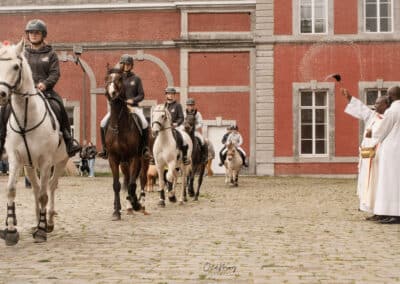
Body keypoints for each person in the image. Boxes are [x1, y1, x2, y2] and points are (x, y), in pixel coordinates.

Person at [0, 19, 81, 158]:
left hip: (45, 91)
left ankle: (68, 140)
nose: (33, 35)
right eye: (31, 32)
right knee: (4, 109)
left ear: (43, 34)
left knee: (59, 105)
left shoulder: (50, 54)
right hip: (23, 91)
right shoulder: (22, 54)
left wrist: (45, 84)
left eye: (37, 33)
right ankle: (1, 141)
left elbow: (55, 73)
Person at [341, 88, 389, 219]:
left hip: (380, 158)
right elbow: (361, 109)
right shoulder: (373, 116)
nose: (375, 105)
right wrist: (348, 97)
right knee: (368, 185)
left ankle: (382, 211)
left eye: (378, 103)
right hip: (368, 158)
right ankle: (373, 209)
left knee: (378, 185)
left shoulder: (390, 118)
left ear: (386, 105)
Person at [98, 54, 150, 160]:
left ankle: (145, 148)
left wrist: (133, 100)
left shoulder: (136, 79)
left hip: (133, 107)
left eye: (128, 64)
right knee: (103, 122)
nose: (126, 66)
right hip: (118, 109)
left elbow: (141, 95)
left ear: (131, 65)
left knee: (144, 123)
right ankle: (104, 149)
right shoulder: (116, 78)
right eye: (124, 64)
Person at [368, 86, 400, 224]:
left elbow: (382, 130)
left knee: (390, 182)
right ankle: (389, 211)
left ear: (391, 96)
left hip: (392, 150)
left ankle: (393, 213)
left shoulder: (392, 110)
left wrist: (372, 134)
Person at [185, 98, 208, 163]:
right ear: (187, 106)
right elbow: (182, 122)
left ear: (194, 106)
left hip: (194, 131)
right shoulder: (184, 113)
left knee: (203, 141)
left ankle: (204, 156)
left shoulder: (198, 114)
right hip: (186, 131)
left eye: (192, 105)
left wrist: (195, 128)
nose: (190, 107)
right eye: (189, 105)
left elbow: (201, 123)